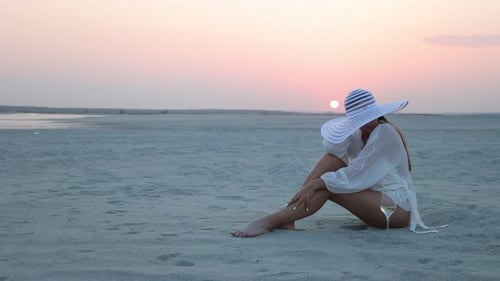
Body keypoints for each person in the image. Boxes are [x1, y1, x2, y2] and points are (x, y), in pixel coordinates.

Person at [231, 89, 443, 237]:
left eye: (368, 117)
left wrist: (316, 184)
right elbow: (335, 155)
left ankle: (271, 221)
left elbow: (356, 173)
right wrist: (348, 131)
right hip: (374, 200)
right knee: (331, 162)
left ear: (377, 113)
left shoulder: (385, 132)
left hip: (396, 209)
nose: (366, 123)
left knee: (329, 186)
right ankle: (289, 212)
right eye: (359, 119)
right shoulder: (358, 133)